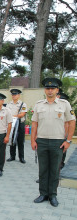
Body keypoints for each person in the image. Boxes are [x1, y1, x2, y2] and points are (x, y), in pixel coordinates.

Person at [31, 78, 76, 207]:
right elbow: (34, 124)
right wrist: (33, 140)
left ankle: (53, 195)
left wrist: (68, 140)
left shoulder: (64, 104)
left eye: (52, 88)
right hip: (42, 142)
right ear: (45, 90)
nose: (50, 91)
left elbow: (72, 121)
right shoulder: (39, 104)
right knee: (43, 169)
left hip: (58, 142)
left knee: (55, 170)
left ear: (57, 90)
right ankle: (43, 194)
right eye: (47, 88)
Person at [7, 89, 27, 163]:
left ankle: (21, 157)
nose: (14, 96)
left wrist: (13, 116)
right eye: (12, 94)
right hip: (12, 124)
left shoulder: (23, 104)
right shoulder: (9, 104)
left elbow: (22, 114)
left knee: (20, 141)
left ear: (19, 95)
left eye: (15, 94)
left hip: (20, 124)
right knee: (12, 139)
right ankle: (12, 156)